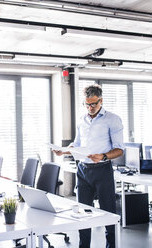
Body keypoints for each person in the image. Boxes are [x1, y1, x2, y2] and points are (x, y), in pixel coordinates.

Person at [54, 84, 124, 248]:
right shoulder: (81, 119)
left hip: (102, 170)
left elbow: (120, 149)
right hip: (83, 170)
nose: (90, 108)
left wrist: (104, 156)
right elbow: (77, 144)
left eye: (93, 104)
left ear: (101, 100)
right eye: (87, 104)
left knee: (108, 213)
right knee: (83, 214)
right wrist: (65, 151)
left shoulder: (112, 119)